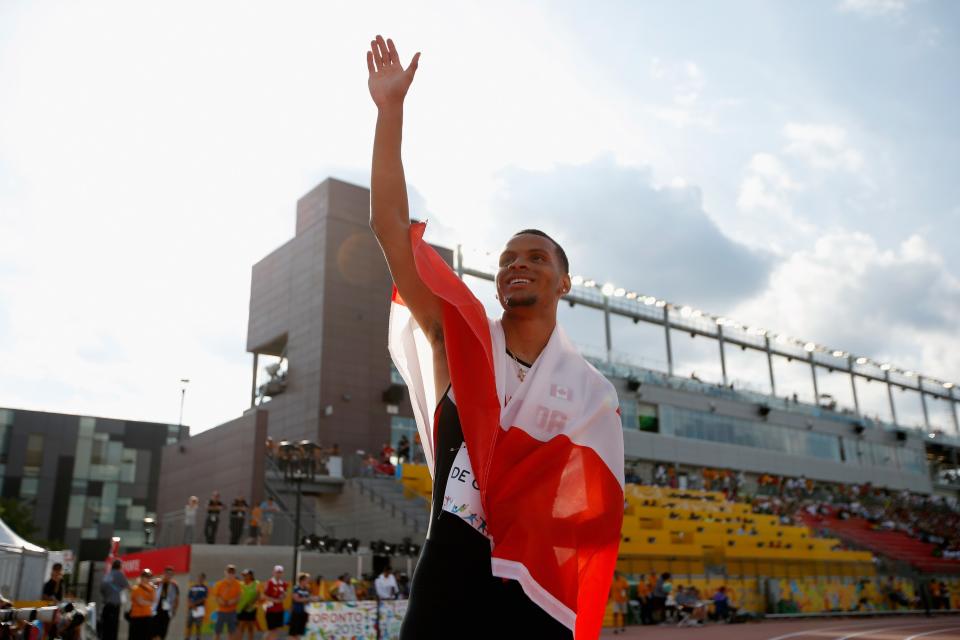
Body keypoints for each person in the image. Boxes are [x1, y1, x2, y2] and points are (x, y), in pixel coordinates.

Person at [369, 35, 624, 639]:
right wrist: (390, 115)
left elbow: (592, 516)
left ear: (564, 282)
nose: (518, 264)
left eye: (536, 257)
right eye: (508, 257)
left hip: (532, 591)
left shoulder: (592, 395)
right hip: (448, 581)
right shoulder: (458, 339)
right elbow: (389, 230)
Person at [99, 559, 129, 640]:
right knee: (113, 629)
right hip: (114, 607)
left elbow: (101, 589)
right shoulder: (119, 574)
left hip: (106, 605)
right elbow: (127, 586)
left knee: (105, 628)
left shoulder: (107, 575)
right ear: (120, 566)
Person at [211, 565, 241, 640]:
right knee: (217, 632)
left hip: (232, 612)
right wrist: (221, 602)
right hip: (221, 611)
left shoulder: (237, 584)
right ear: (225, 573)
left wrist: (232, 601)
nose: (230, 574)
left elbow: (239, 596)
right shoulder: (219, 584)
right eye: (229, 572)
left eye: (232, 572)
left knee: (231, 632)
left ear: (234, 574)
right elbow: (216, 596)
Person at [152, 566, 180, 640]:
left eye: (171, 574)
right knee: (153, 633)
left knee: (162, 634)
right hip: (155, 611)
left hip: (166, 613)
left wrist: (174, 610)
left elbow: (177, 599)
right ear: (163, 573)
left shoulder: (174, 585)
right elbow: (150, 592)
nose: (169, 575)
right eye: (167, 573)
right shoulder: (157, 582)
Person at [129, 569, 157, 640]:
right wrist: (149, 602)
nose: (148, 579)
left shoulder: (151, 589)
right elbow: (141, 602)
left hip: (147, 617)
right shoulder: (136, 588)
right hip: (137, 618)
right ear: (141, 577)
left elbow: (155, 600)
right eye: (146, 577)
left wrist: (153, 588)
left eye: (149, 577)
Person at [263, 565, 288, 640]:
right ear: (273, 572)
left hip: (279, 609)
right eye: (277, 572)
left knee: (277, 630)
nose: (278, 574)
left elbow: (284, 594)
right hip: (271, 610)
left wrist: (283, 596)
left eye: (280, 572)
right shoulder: (269, 582)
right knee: (270, 630)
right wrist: (275, 600)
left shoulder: (283, 583)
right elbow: (264, 596)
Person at [236, 569, 260, 640]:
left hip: (251, 609)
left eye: (246, 575)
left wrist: (251, 604)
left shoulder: (256, 583)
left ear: (251, 576)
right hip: (241, 609)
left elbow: (258, 595)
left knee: (250, 628)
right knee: (241, 628)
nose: (244, 577)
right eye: (243, 575)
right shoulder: (240, 584)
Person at [289, 573, 313, 640]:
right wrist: (308, 599)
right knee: (293, 633)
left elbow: (309, 598)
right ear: (302, 580)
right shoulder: (296, 588)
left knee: (300, 633)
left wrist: (315, 598)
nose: (308, 581)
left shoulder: (307, 589)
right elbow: (296, 599)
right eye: (306, 580)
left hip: (304, 612)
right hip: (296, 612)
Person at [185, 573, 209, 640]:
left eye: (202, 578)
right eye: (199, 578)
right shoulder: (193, 587)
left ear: (204, 579)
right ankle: (187, 637)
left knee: (198, 625)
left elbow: (204, 598)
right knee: (189, 624)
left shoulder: (205, 588)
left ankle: (198, 638)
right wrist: (192, 605)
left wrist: (195, 604)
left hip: (200, 608)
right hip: (191, 608)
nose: (200, 579)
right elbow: (189, 597)